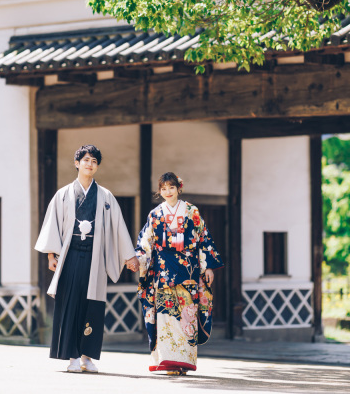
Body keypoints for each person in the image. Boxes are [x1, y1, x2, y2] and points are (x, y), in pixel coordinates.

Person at [35, 144, 139, 373]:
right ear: (77, 163)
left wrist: (129, 256)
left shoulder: (105, 196)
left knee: (92, 306)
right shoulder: (63, 195)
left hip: (95, 258)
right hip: (70, 257)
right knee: (70, 304)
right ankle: (72, 356)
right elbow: (52, 224)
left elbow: (118, 226)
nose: (90, 164)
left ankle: (87, 357)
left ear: (97, 166)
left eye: (94, 161)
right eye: (86, 160)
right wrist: (51, 255)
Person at [135, 172, 223, 375]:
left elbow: (203, 238)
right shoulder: (155, 214)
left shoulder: (192, 211)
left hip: (188, 270)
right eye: (163, 188)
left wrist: (208, 266)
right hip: (163, 271)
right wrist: (139, 259)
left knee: (186, 315)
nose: (167, 192)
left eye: (171, 187)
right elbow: (145, 241)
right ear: (159, 191)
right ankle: (169, 363)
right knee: (166, 316)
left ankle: (184, 361)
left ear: (178, 188)